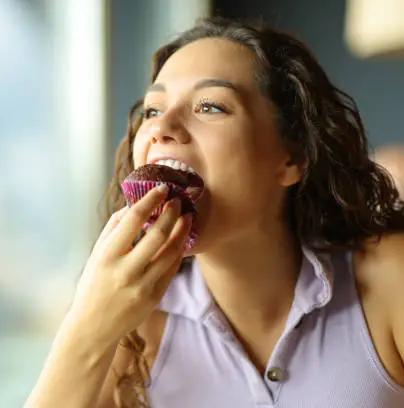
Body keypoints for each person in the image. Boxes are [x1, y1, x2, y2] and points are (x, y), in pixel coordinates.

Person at [24, 17, 404, 408]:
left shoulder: (389, 280)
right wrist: (87, 327)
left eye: (210, 106)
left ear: (293, 157)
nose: (162, 128)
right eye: (152, 110)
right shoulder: (135, 326)